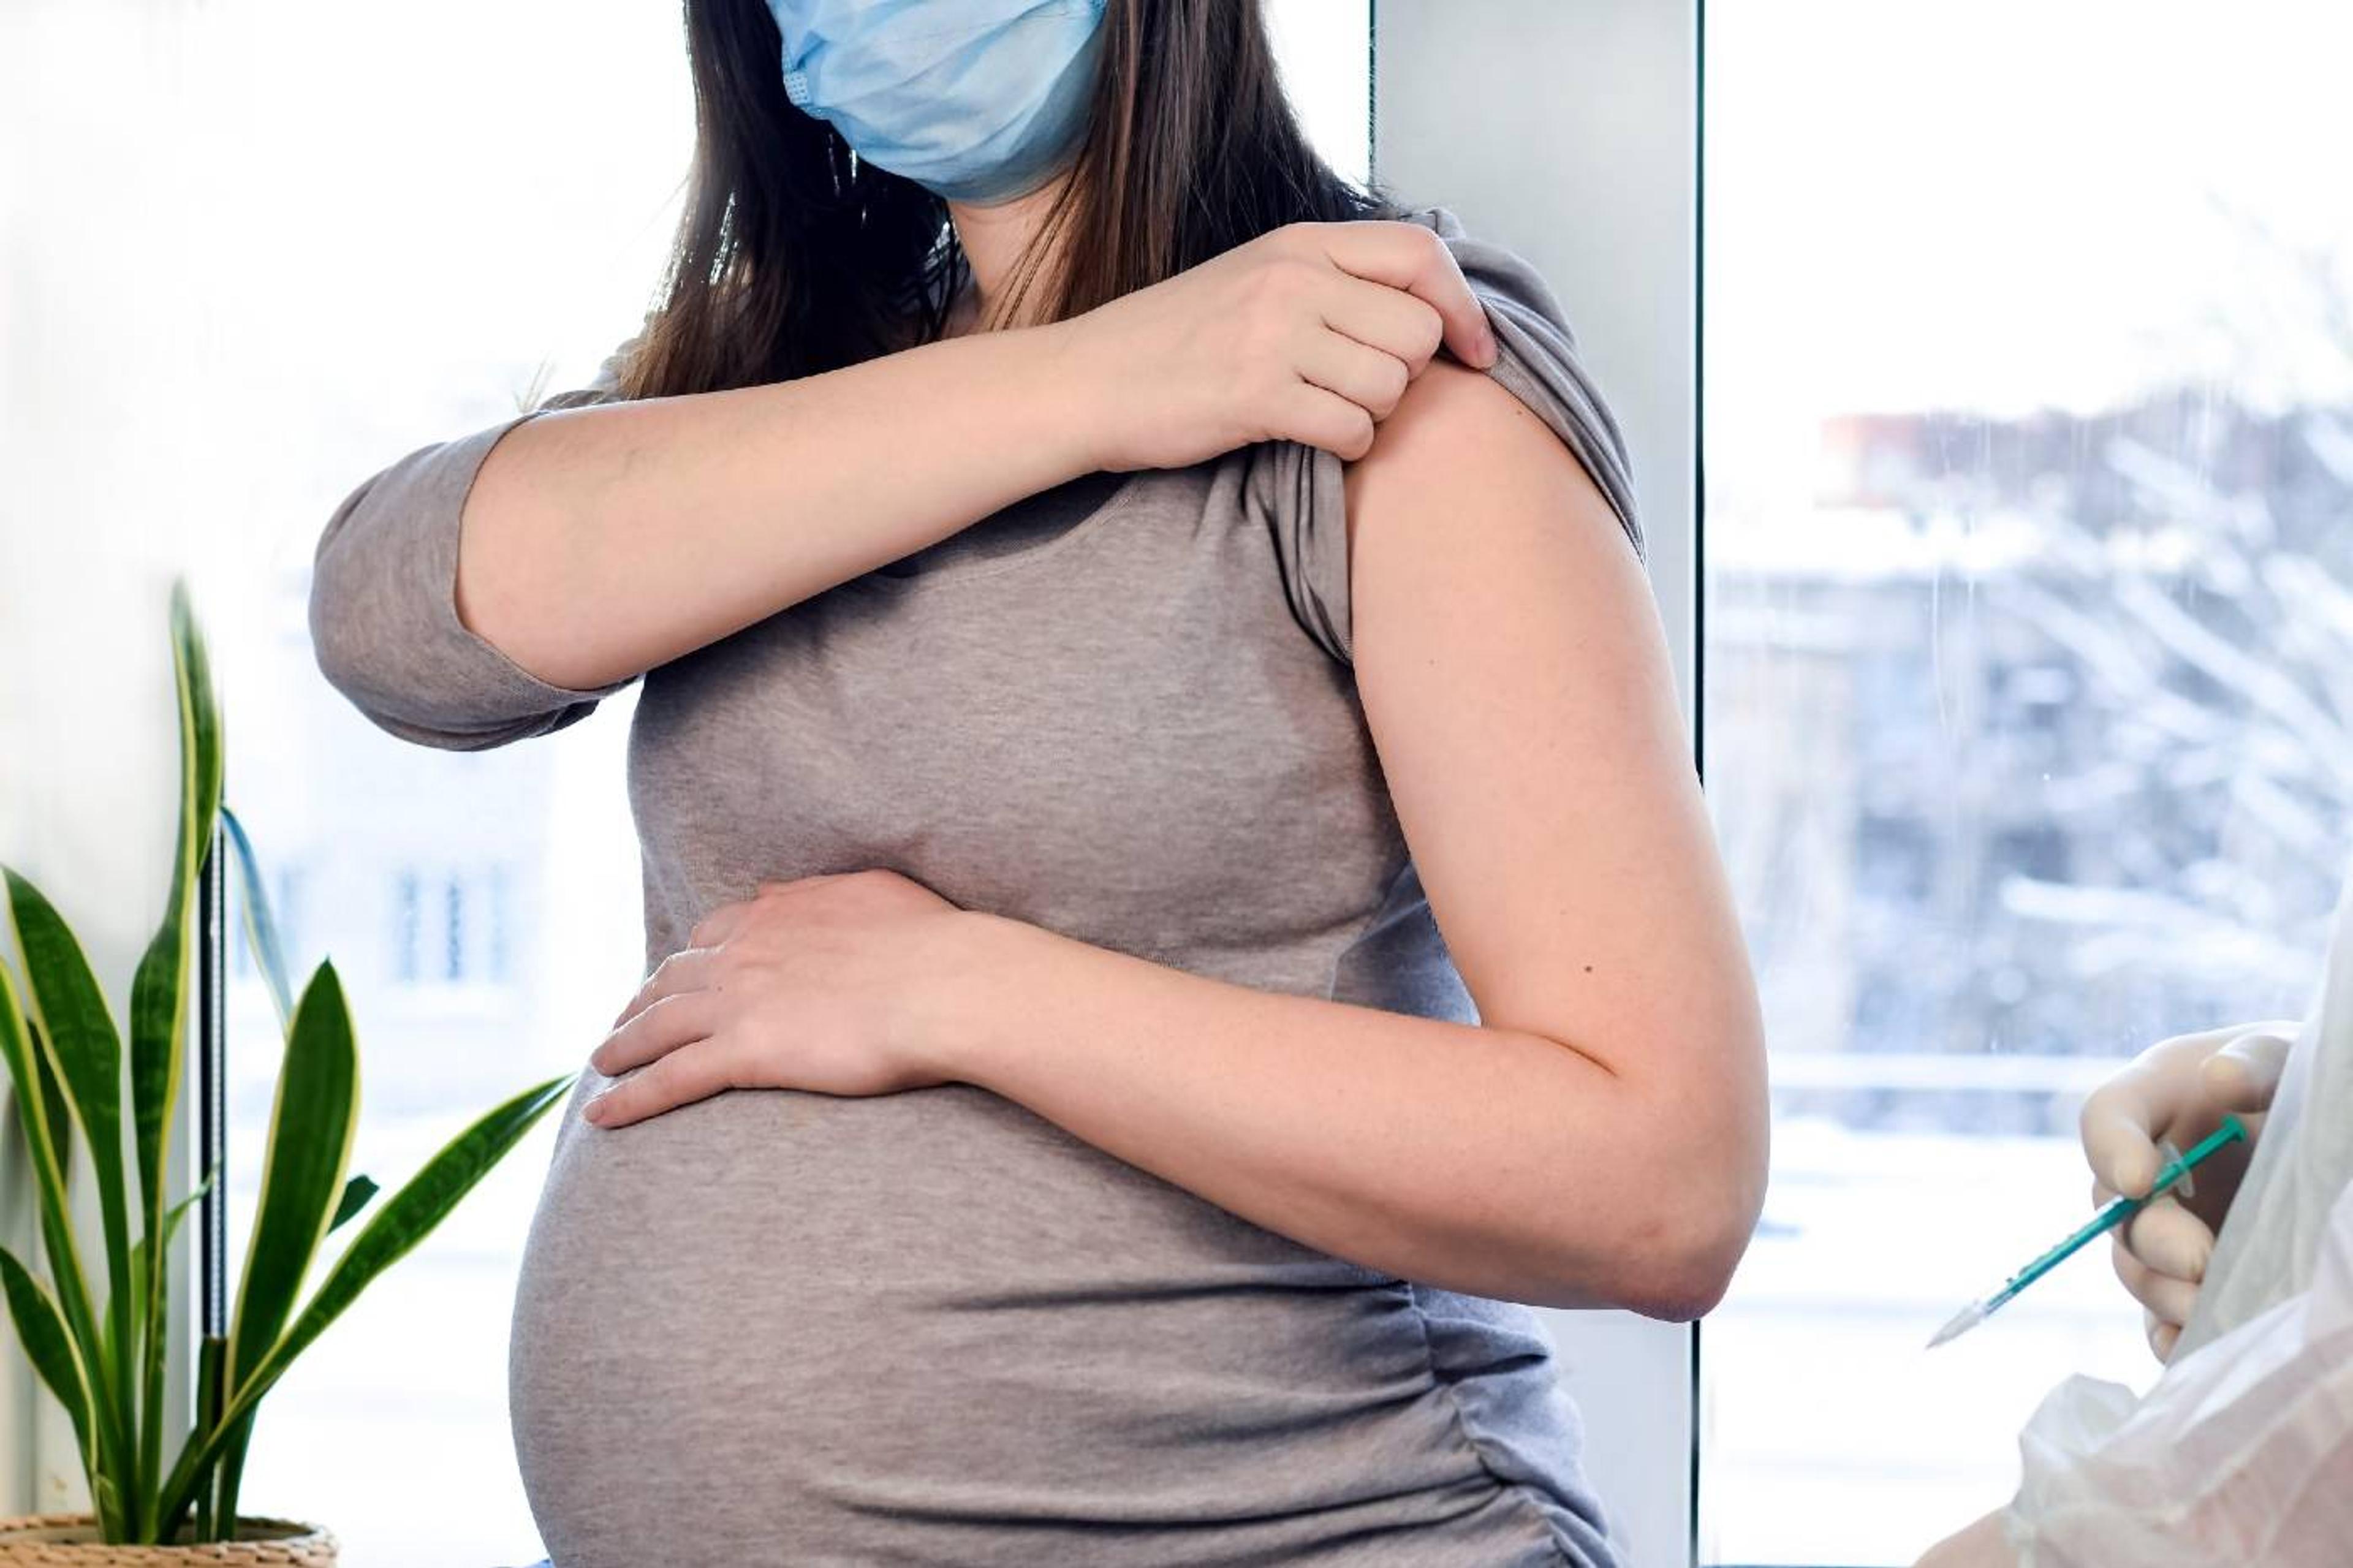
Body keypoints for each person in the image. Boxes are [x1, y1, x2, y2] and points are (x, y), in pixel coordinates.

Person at [306, 2, 1768, 1565]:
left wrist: (964, 992)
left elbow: (1659, 1177)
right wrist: (1092, 379)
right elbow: (393, 622)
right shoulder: (798, 387)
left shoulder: (1383, 378)